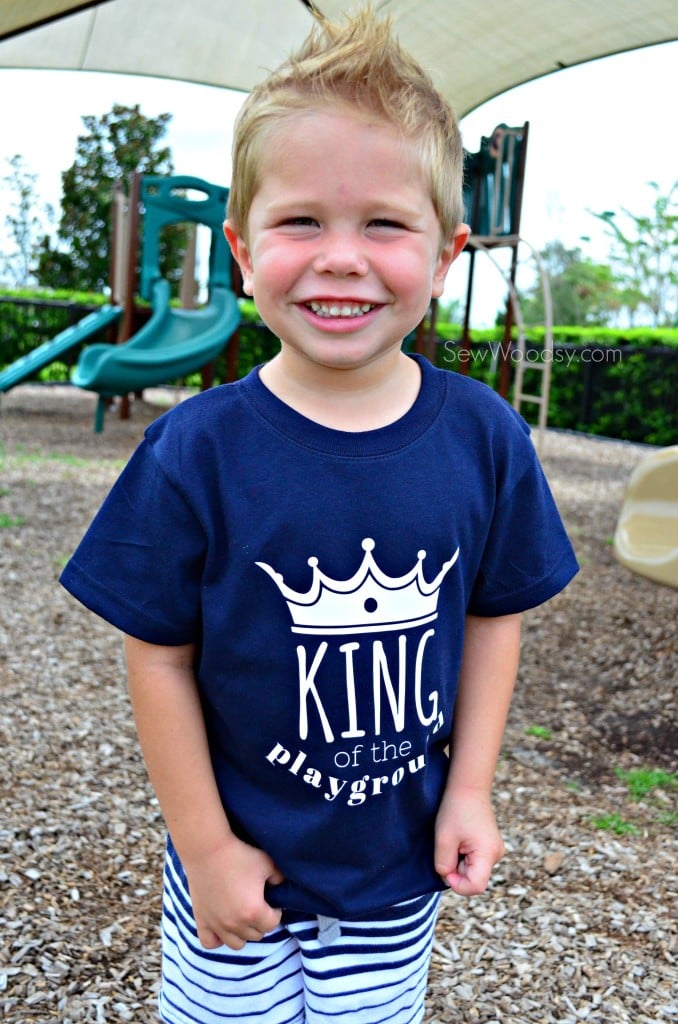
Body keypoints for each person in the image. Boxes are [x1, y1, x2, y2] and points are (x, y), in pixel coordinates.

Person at [60, 6, 578, 1023]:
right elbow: (157, 654)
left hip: (396, 862)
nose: (342, 257)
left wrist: (469, 788)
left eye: (384, 224)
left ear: (443, 255)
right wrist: (206, 847)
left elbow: (492, 615)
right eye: (302, 222)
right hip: (235, 850)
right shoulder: (195, 449)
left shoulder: (484, 437)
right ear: (243, 252)